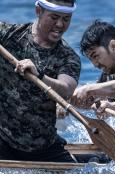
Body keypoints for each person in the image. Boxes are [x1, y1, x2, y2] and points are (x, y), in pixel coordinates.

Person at [0, 0, 80, 162]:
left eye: (66, 19)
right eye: (54, 17)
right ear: (38, 11)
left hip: (42, 146)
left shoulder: (69, 57)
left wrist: (40, 76)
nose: (60, 24)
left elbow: (66, 89)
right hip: (2, 139)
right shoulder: (9, 34)